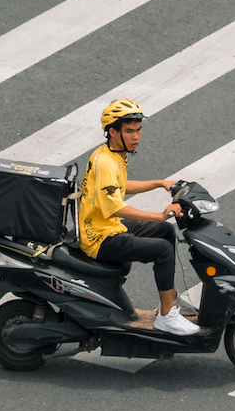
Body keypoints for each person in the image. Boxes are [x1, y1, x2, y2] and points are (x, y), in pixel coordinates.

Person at [76, 98, 200, 336]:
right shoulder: (105, 162)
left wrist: (158, 183)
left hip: (108, 227)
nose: (136, 136)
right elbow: (115, 208)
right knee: (162, 249)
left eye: (138, 129)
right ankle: (166, 317)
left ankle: (170, 302)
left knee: (166, 233)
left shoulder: (113, 154)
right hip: (100, 238)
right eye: (129, 131)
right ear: (112, 131)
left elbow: (119, 186)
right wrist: (160, 215)